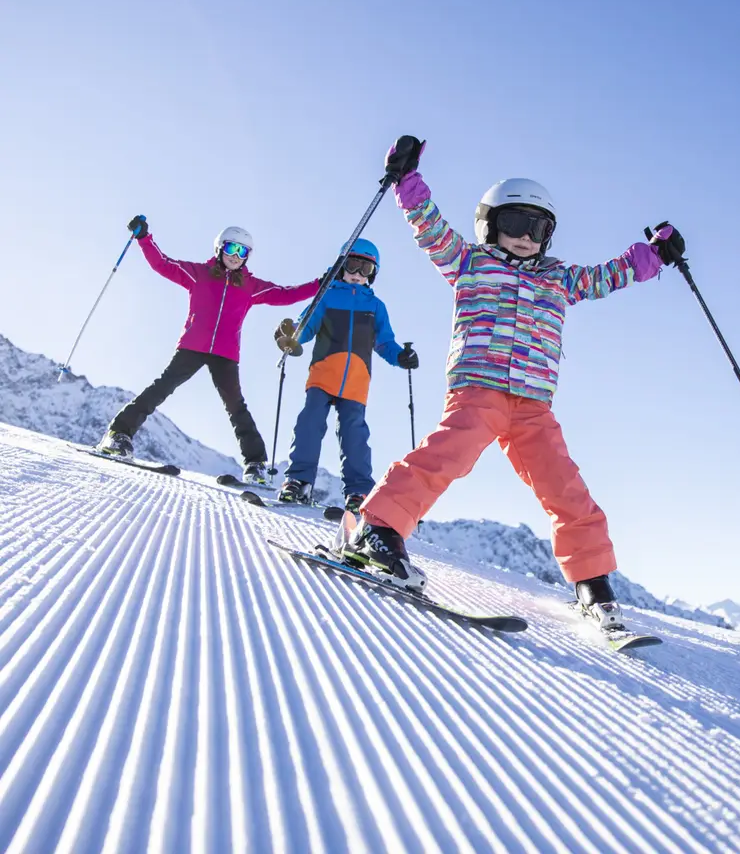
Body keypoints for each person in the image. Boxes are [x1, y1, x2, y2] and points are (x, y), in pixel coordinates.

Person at [339, 137, 685, 630]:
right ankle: (378, 529)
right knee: (447, 456)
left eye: (539, 227)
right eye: (515, 223)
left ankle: (591, 580)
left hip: (533, 405)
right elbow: (429, 227)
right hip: (479, 389)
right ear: (490, 225)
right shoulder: (469, 262)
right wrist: (407, 180)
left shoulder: (559, 279)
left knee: (564, 485)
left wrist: (656, 253)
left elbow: (612, 275)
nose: (526, 236)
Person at [98, 217, 321, 483]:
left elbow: (287, 294)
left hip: (225, 354)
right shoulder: (197, 273)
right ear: (219, 249)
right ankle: (119, 434)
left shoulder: (250, 286)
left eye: (243, 252)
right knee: (162, 387)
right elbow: (162, 264)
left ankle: (255, 464)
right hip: (193, 346)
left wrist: (321, 283)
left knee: (236, 406)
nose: (236, 256)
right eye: (231, 249)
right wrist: (145, 238)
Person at [274, 238, 417, 510]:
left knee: (354, 435)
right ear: (341, 266)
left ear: (373, 274)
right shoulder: (327, 297)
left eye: (366, 268)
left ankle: (359, 492)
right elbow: (306, 327)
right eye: (352, 265)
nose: (358, 273)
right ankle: (298, 481)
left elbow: (384, 343)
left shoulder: (376, 307)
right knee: (309, 424)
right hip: (322, 375)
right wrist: (290, 335)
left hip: (356, 382)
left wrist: (401, 357)